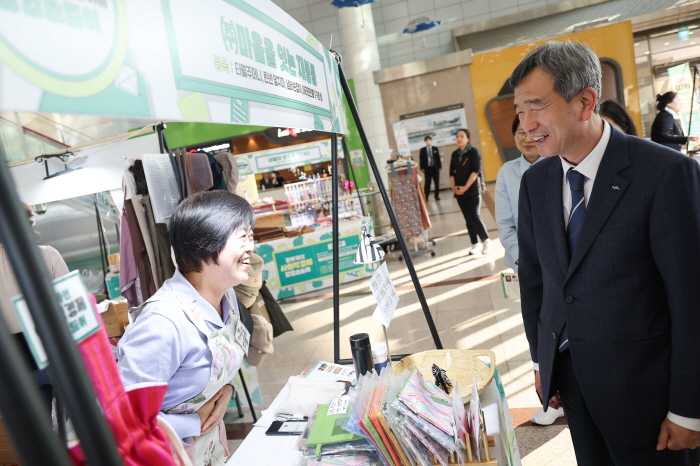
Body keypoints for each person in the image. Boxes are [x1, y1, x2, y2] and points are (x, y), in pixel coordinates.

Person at [512, 40, 700, 465]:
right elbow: (537, 283)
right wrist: (544, 361)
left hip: (649, 396)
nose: (526, 125)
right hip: (575, 387)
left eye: (536, 106)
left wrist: (689, 408)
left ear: (585, 101)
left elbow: (692, 300)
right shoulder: (536, 183)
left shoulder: (666, 174)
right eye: (519, 110)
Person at [118, 191, 254, 466]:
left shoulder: (226, 297)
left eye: (251, 236)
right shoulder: (164, 322)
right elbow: (119, 418)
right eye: (243, 237)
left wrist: (227, 389)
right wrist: (192, 422)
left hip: (208, 451)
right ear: (205, 246)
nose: (251, 247)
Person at [495, 117, 562, 426]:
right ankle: (549, 396)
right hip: (531, 266)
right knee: (539, 325)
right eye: (518, 132)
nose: (525, 137)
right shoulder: (508, 172)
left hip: (565, 262)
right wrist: (530, 261)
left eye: (529, 131)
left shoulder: (559, 163)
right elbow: (506, 226)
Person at [0, 204, 69, 412]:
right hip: (55, 355)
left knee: (43, 435)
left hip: (16, 366)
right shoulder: (47, 255)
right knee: (77, 428)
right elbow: (73, 307)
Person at [450, 128, 491, 255]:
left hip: (472, 190)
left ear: (468, 139)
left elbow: (475, 171)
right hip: (459, 192)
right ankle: (475, 243)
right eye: (457, 136)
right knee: (467, 219)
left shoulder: (473, 152)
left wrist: (465, 187)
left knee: (474, 216)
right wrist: (455, 188)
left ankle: (487, 241)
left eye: (462, 136)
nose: (459, 138)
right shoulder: (455, 154)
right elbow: (451, 173)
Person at [419, 136, 442, 200]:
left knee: (437, 183)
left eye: (429, 140)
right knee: (427, 183)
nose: (428, 141)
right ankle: (426, 197)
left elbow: (438, 158)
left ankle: (436, 196)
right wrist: (422, 167)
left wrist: (439, 166)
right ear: (425, 141)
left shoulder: (435, 148)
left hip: (435, 168)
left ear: (431, 140)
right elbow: (421, 159)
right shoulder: (422, 150)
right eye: (427, 140)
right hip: (427, 169)